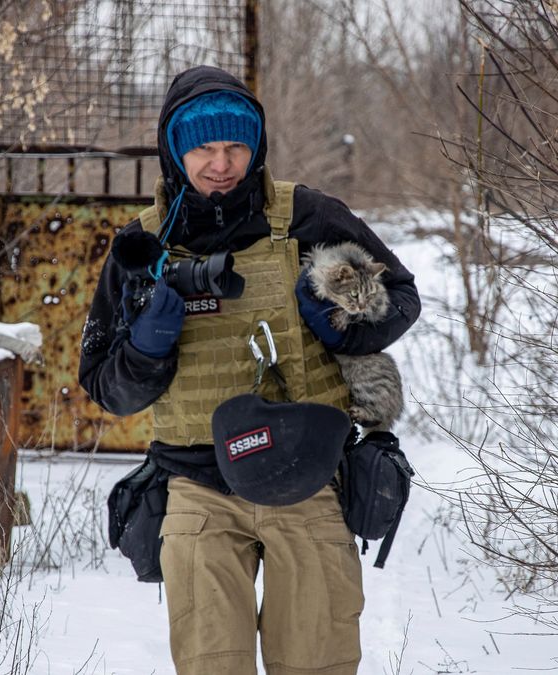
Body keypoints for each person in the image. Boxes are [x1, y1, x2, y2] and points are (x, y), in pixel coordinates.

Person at [79, 65, 420, 675]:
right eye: (203, 147)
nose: (221, 162)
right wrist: (147, 350)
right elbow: (106, 386)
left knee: (317, 663)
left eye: (236, 145)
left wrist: (335, 317)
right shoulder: (142, 245)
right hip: (195, 486)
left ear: (256, 146)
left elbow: (400, 302)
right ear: (173, 149)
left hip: (310, 480)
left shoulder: (309, 217)